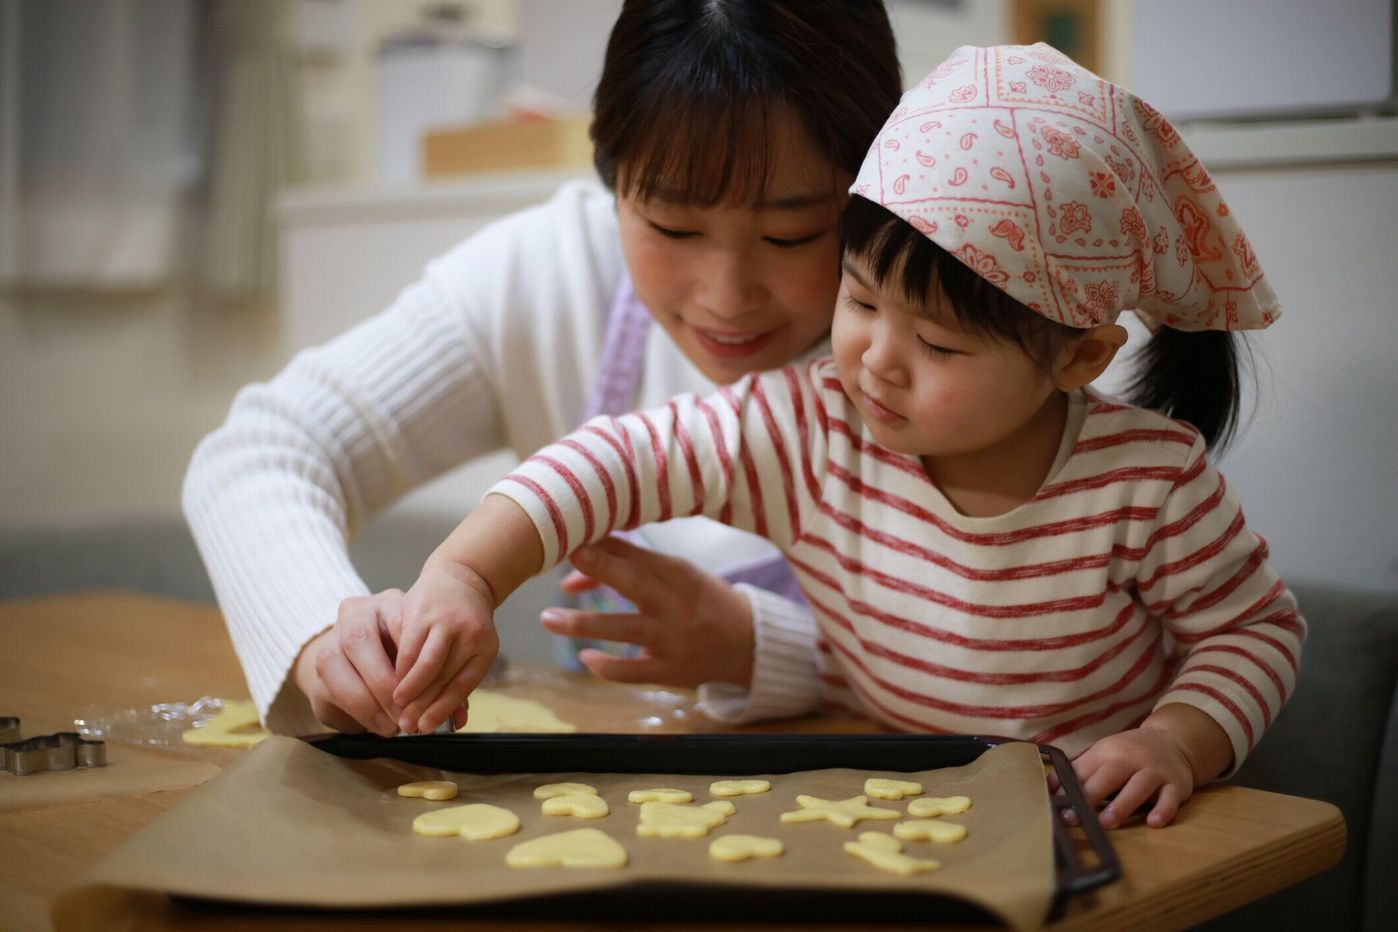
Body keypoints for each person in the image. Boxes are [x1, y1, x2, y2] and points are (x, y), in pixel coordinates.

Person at [389, 44, 1305, 829]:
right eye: (860, 299)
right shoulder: (812, 427)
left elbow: (1255, 631)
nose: (875, 361)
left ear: (1077, 358)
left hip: (1093, 828)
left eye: (939, 343)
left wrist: (1174, 741)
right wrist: (465, 574)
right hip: (900, 807)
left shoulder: (1146, 483)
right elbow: (617, 460)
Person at [182, 0, 904, 738]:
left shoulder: (949, 340)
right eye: (672, 226)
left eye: (791, 235)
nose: (726, 297)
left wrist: (766, 650)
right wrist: (322, 642)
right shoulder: (555, 277)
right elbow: (262, 452)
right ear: (613, 180)